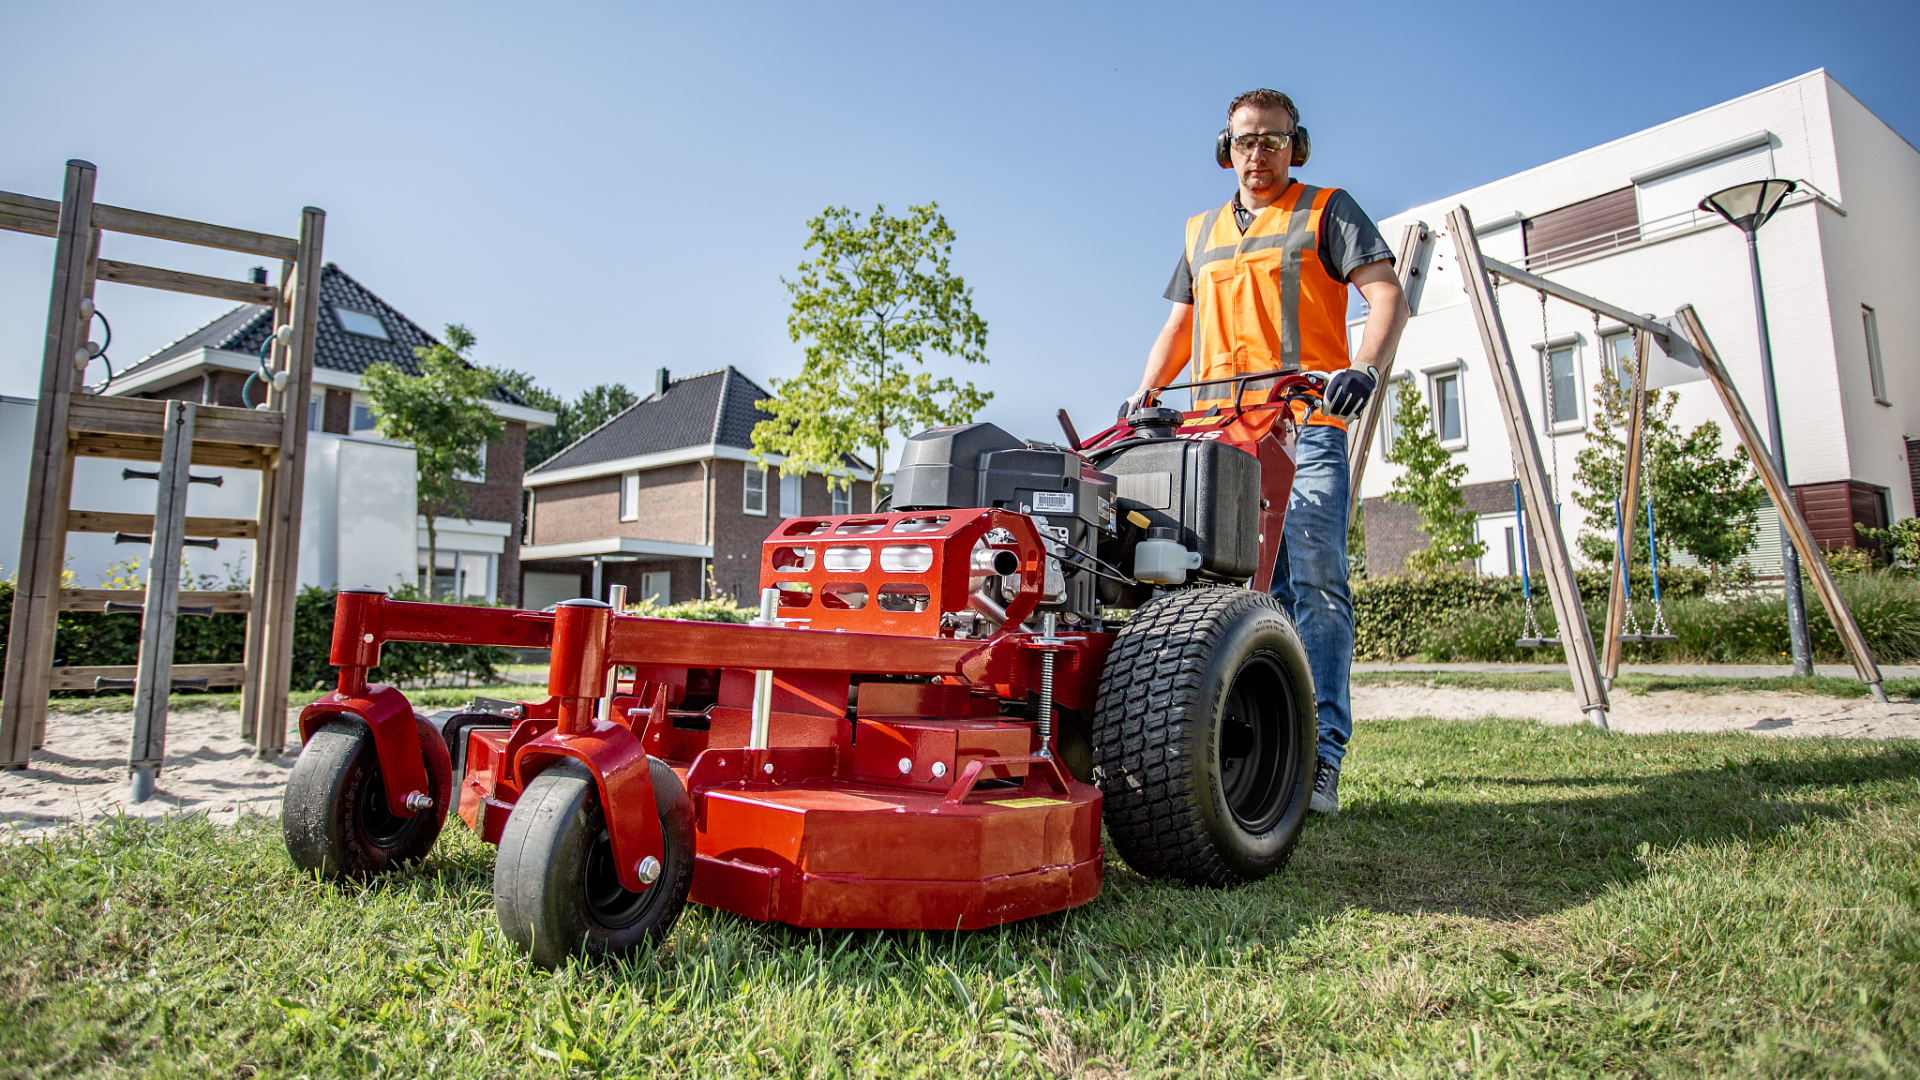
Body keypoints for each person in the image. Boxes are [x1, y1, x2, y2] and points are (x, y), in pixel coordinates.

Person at [1129, 88, 1408, 816]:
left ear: (1298, 145)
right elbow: (1179, 328)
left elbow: (1386, 296)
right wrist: (1142, 394)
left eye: (1274, 141)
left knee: (1313, 582)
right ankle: (1237, 751)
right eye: (1247, 141)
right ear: (1226, 147)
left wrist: (1365, 369)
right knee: (1218, 590)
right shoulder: (1201, 231)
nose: (1259, 154)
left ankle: (1321, 758)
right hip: (1218, 434)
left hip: (1308, 423)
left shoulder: (1328, 210)